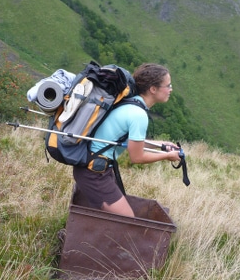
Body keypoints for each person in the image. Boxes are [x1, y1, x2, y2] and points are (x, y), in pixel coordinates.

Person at [72, 62, 182, 218]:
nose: (171, 89)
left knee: (115, 219)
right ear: (153, 89)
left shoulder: (132, 102)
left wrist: (161, 145)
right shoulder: (139, 115)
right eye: (168, 85)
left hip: (94, 168)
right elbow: (136, 157)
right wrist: (167, 156)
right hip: (94, 173)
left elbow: (130, 141)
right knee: (127, 220)